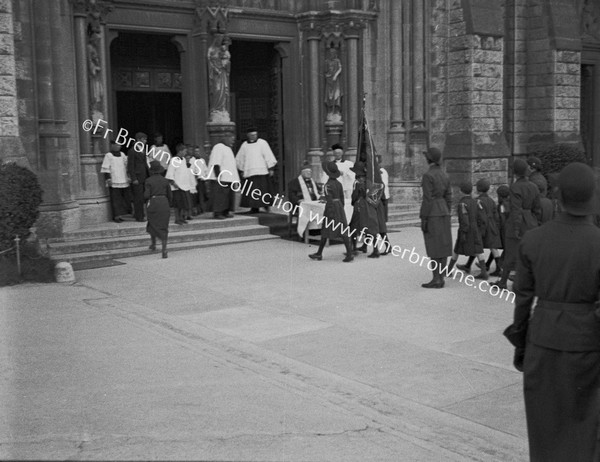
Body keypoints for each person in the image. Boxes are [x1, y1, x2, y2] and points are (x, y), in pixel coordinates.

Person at [507, 162, 600, 461]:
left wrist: (520, 343)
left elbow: (522, 299)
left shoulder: (533, 240)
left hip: (543, 339)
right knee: (587, 427)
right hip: (588, 343)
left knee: (545, 426)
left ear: (558, 197)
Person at [491, 158, 541, 290]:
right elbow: (537, 208)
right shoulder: (534, 186)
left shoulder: (515, 187)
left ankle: (503, 281)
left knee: (510, 253)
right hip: (531, 221)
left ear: (514, 172)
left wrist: (516, 228)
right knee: (529, 253)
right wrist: (536, 222)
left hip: (517, 222)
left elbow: (516, 209)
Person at [419, 147, 452, 288]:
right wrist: (446, 211)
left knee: (433, 245)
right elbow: (449, 196)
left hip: (432, 212)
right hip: (443, 210)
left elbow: (427, 199)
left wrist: (424, 217)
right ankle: (441, 277)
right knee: (443, 245)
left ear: (429, 159)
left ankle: (436, 278)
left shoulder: (428, 176)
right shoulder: (445, 175)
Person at [308, 161, 353, 263]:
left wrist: (331, 211)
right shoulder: (339, 184)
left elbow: (329, 199)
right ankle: (349, 253)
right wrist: (340, 208)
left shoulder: (327, 185)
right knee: (343, 229)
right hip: (340, 207)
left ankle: (319, 253)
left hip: (331, 207)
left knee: (325, 230)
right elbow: (342, 198)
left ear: (328, 173)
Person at [457, 178, 502, 275]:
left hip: (483, 226)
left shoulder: (477, 201)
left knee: (476, 247)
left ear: (477, 189)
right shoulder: (491, 200)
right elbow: (496, 215)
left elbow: (479, 216)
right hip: (492, 225)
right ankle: (498, 267)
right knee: (493, 248)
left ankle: (469, 266)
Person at [445, 182, 488, 280]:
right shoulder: (477, 201)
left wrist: (463, 232)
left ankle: (449, 270)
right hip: (476, 228)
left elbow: (464, 219)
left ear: (461, 191)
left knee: (457, 249)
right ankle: (484, 272)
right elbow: (482, 217)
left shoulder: (462, 203)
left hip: (466, 229)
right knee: (478, 249)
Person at [236, 127, 277, 213]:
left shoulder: (262, 143)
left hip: (261, 171)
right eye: (251, 135)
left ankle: (266, 206)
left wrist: (271, 168)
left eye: (255, 135)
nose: (254, 137)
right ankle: (254, 208)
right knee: (252, 191)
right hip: (249, 171)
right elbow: (240, 158)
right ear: (248, 135)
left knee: (264, 190)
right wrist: (241, 170)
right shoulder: (244, 145)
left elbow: (268, 155)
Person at [208, 133, 239, 219]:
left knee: (227, 197)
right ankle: (218, 213)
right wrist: (218, 175)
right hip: (221, 178)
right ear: (225, 138)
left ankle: (226, 211)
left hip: (228, 178)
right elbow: (216, 162)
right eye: (231, 138)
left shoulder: (228, 149)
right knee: (220, 197)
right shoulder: (218, 147)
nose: (233, 141)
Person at [144, 161, 172, 259]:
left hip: (154, 203)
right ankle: (164, 249)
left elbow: (146, 195)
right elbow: (170, 195)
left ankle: (153, 244)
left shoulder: (148, 181)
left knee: (152, 223)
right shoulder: (165, 180)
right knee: (164, 227)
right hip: (164, 203)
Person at [101, 140, 130, 223]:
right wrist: (108, 178)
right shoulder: (108, 155)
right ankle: (116, 216)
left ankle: (121, 214)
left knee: (122, 199)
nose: (118, 147)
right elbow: (106, 167)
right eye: (117, 145)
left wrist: (128, 176)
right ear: (112, 145)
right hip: (114, 180)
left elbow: (126, 165)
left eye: (119, 145)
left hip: (123, 179)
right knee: (115, 199)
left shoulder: (122, 154)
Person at [165, 143, 191, 225]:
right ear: (180, 151)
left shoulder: (183, 160)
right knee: (178, 204)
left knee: (184, 204)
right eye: (184, 151)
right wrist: (173, 183)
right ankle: (177, 218)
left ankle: (182, 217)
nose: (185, 153)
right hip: (176, 186)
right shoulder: (174, 160)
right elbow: (170, 173)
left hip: (184, 185)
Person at [127, 132, 149, 222]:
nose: (145, 141)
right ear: (138, 140)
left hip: (144, 176)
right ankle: (139, 216)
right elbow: (130, 166)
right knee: (138, 198)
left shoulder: (143, 149)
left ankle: (141, 214)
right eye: (144, 139)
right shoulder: (132, 151)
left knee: (143, 197)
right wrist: (134, 178)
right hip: (137, 177)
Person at [207, 34, 231, 115]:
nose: (219, 42)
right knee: (216, 89)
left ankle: (221, 109)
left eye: (221, 40)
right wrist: (215, 68)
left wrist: (225, 63)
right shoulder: (211, 49)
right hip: (215, 73)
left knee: (223, 90)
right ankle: (215, 108)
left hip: (222, 73)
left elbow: (227, 59)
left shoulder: (223, 50)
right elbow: (209, 61)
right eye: (218, 40)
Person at [324, 47, 342, 118]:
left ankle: (336, 111)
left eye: (333, 53)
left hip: (335, 81)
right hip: (329, 81)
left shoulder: (337, 61)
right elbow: (325, 71)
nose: (331, 55)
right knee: (329, 96)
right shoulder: (327, 61)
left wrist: (335, 75)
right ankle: (330, 111)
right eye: (330, 53)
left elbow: (340, 68)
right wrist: (327, 75)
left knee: (336, 95)